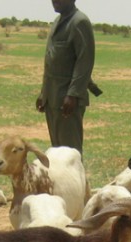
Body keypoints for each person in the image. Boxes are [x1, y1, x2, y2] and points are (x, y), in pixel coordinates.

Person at [36, 0, 96, 155]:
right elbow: (51, 61)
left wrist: (73, 94)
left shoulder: (79, 21)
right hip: (52, 98)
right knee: (57, 154)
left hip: (68, 102)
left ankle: (78, 180)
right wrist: (44, 93)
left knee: (71, 155)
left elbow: (85, 61)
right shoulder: (57, 21)